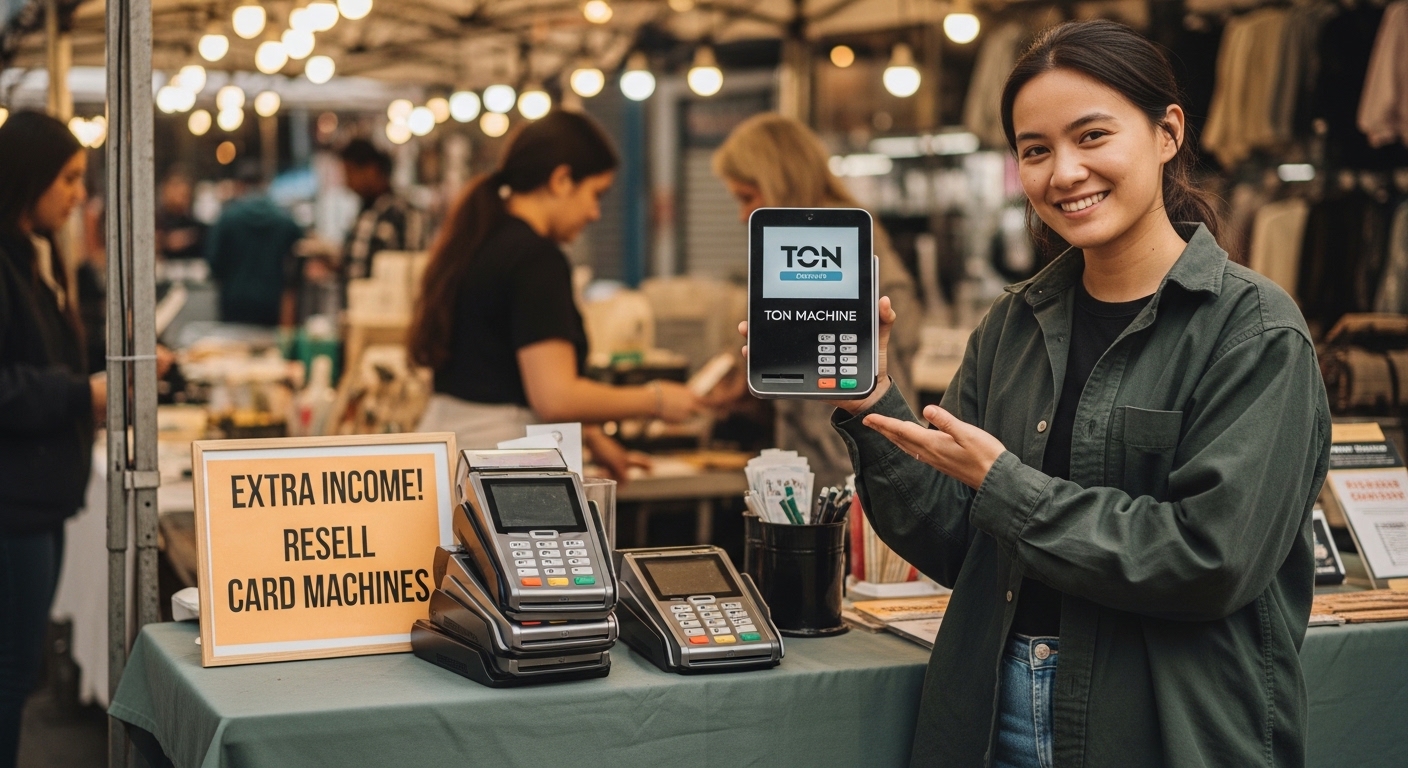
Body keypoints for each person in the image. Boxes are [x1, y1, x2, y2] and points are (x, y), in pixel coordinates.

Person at [744, 21, 1329, 767]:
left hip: (1165, 730)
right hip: (992, 715)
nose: (1064, 173)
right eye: (1035, 150)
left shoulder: (1254, 332)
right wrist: (870, 399)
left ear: (1167, 133)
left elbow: (1213, 560)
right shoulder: (1012, 324)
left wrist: (1006, 486)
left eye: (1092, 137)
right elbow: (958, 540)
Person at [410, 111, 702, 480]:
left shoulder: (481, 238)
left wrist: (594, 437)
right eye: (595, 194)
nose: (596, 213)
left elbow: (502, 369)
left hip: (453, 454)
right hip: (500, 466)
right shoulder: (536, 258)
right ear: (562, 180)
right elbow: (554, 397)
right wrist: (656, 399)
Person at [712, 113, 922, 490]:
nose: (743, 215)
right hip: (814, 450)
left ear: (780, 178)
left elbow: (905, 328)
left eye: (747, 197)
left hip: (856, 449)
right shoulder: (785, 240)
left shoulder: (849, 231)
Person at [0, 111, 105, 768]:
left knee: (19, 668)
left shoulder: (31, 257)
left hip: (39, 499)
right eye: (67, 179)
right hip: (14, 504)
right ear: (29, 177)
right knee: (12, 671)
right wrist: (80, 392)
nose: (75, 195)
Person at [204, 162, 303, 327]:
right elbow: (299, 260)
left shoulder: (227, 219)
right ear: (265, 184)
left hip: (234, 301)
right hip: (273, 302)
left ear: (239, 185)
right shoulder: (285, 220)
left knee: (235, 349)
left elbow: (213, 261)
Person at [339, 138, 425, 281]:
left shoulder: (403, 212)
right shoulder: (367, 212)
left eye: (350, 172)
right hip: (359, 300)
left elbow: (413, 265)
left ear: (372, 170)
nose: (348, 183)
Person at [154, 167, 206, 262]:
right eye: (175, 188)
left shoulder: (193, 222)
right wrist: (165, 241)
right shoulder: (157, 220)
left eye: (184, 194)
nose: (180, 197)